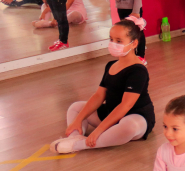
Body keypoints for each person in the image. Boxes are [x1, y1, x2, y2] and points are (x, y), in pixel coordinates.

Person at [49, 18, 155, 153]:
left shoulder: (138, 71)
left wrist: (98, 130)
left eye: (119, 41)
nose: (113, 44)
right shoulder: (111, 65)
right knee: (75, 108)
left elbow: (125, 106)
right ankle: (75, 137)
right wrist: (78, 120)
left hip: (135, 116)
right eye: (111, 39)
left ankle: (79, 145)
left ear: (134, 44)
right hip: (110, 112)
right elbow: (99, 95)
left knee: (129, 127)